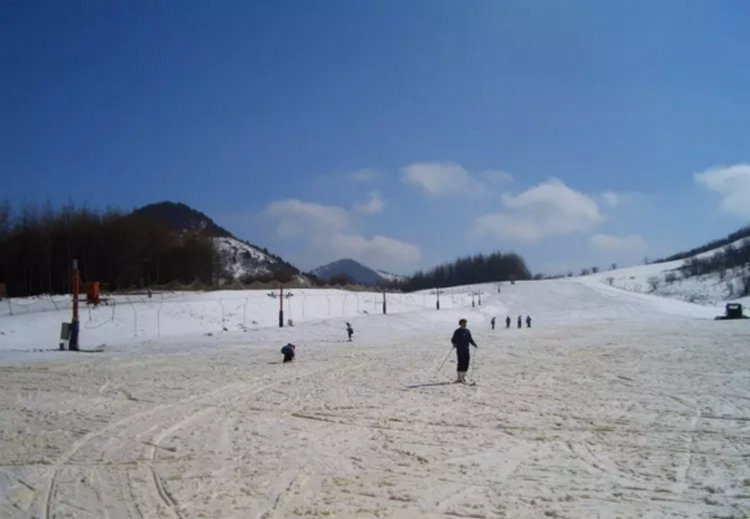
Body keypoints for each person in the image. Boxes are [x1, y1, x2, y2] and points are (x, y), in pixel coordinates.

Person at [451, 318, 478, 383]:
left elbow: (470, 339)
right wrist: (454, 344)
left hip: (466, 349)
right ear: (460, 324)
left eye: (465, 323)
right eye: (463, 323)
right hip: (460, 349)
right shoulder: (457, 331)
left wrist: (474, 344)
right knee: (461, 363)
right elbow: (453, 339)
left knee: (466, 362)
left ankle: (463, 377)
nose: (465, 324)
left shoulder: (467, 331)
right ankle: (459, 377)